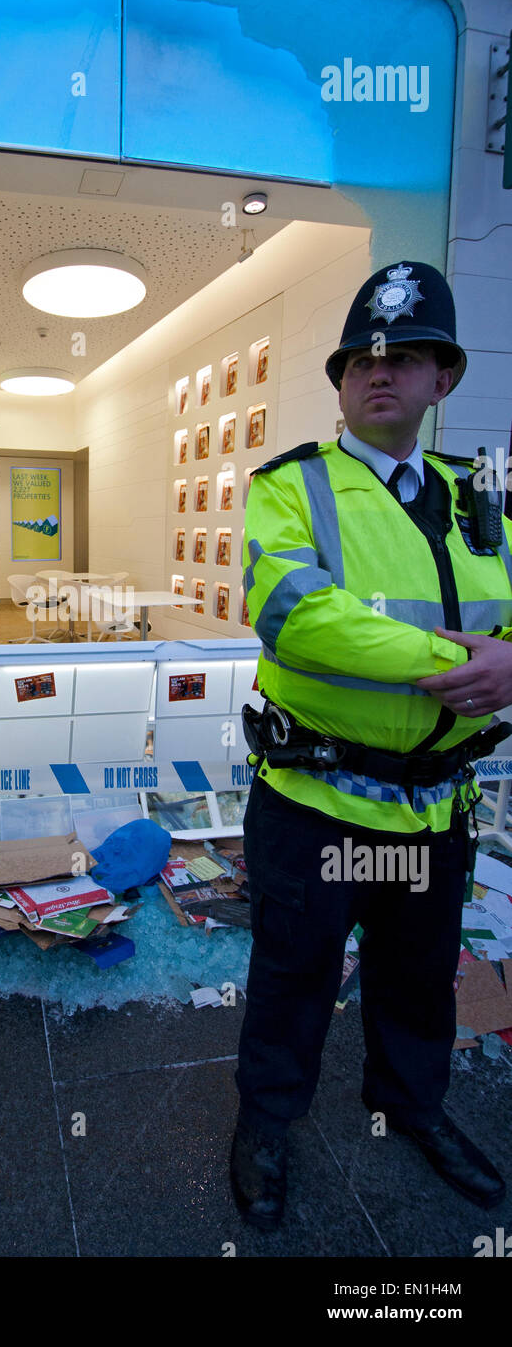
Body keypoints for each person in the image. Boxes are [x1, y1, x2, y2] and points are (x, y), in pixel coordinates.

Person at [232, 260, 510, 1229]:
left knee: (417, 978)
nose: (380, 371)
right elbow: (294, 617)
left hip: (432, 805)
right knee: (290, 977)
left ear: (444, 379)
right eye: (362, 358)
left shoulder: (481, 495)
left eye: (406, 356)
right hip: (314, 803)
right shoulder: (291, 488)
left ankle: (412, 1111)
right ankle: (265, 1125)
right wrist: (461, 660)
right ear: (341, 380)